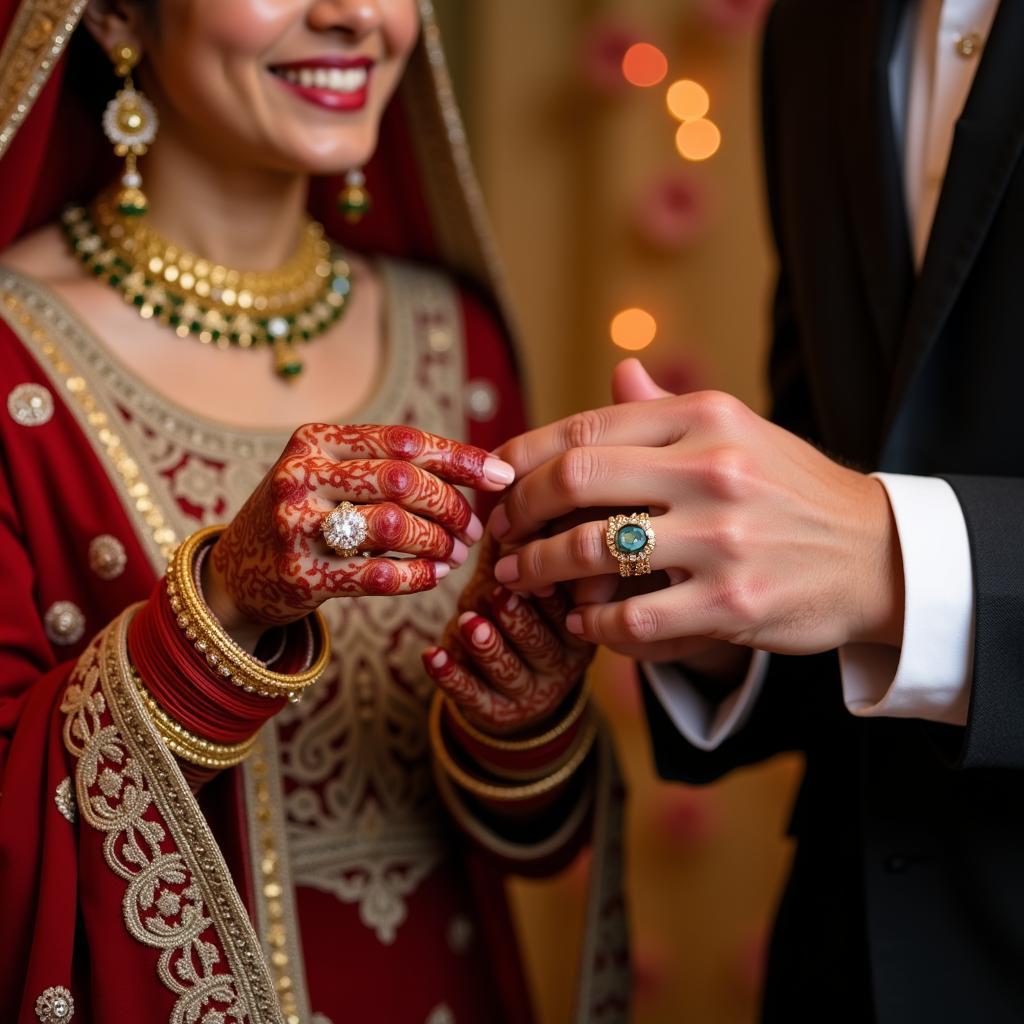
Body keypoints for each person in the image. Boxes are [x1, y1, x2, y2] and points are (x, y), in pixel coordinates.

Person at [0, 2, 628, 1022]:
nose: (352, 15)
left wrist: (520, 711)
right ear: (116, 15)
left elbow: (533, 838)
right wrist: (224, 602)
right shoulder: (11, 360)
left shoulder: (453, 338)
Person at [486, 1, 1024, 1021]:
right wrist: (696, 593)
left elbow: (861, 537)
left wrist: (885, 561)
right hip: (842, 960)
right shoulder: (815, 29)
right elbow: (837, 467)